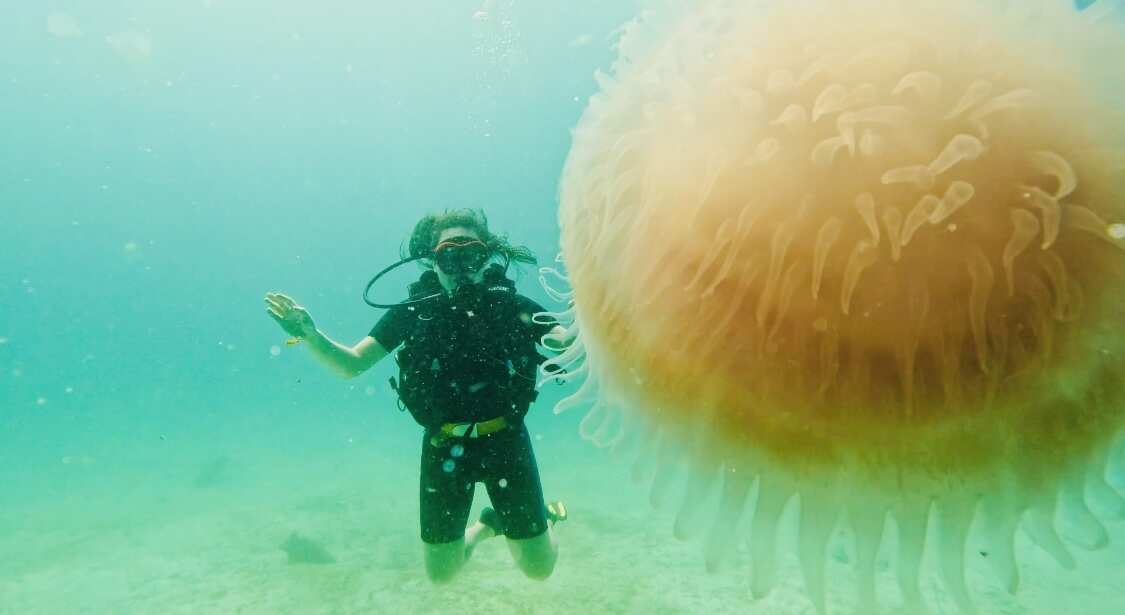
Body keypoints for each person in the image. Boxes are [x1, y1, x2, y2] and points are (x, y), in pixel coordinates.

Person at [264, 209, 570, 584]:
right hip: (444, 448)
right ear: (432, 260)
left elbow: (565, 340)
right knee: (442, 575)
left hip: (506, 443)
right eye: (448, 256)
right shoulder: (414, 313)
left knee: (539, 570)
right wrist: (310, 335)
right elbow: (352, 364)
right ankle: (487, 527)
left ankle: (544, 518)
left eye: (470, 255)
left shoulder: (512, 306)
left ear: (486, 257)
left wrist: (600, 322)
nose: (460, 267)